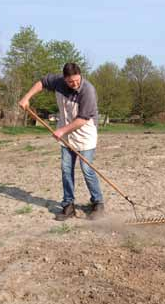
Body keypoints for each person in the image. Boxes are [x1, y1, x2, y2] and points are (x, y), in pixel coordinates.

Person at [18, 63, 104, 221]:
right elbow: (41, 83)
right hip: (65, 134)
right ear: (64, 79)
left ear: (80, 76)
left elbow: (82, 119)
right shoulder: (57, 81)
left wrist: (62, 131)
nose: (75, 84)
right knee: (66, 170)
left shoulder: (88, 91)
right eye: (71, 82)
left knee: (87, 169)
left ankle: (98, 203)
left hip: (85, 133)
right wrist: (26, 97)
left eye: (77, 80)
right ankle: (68, 206)